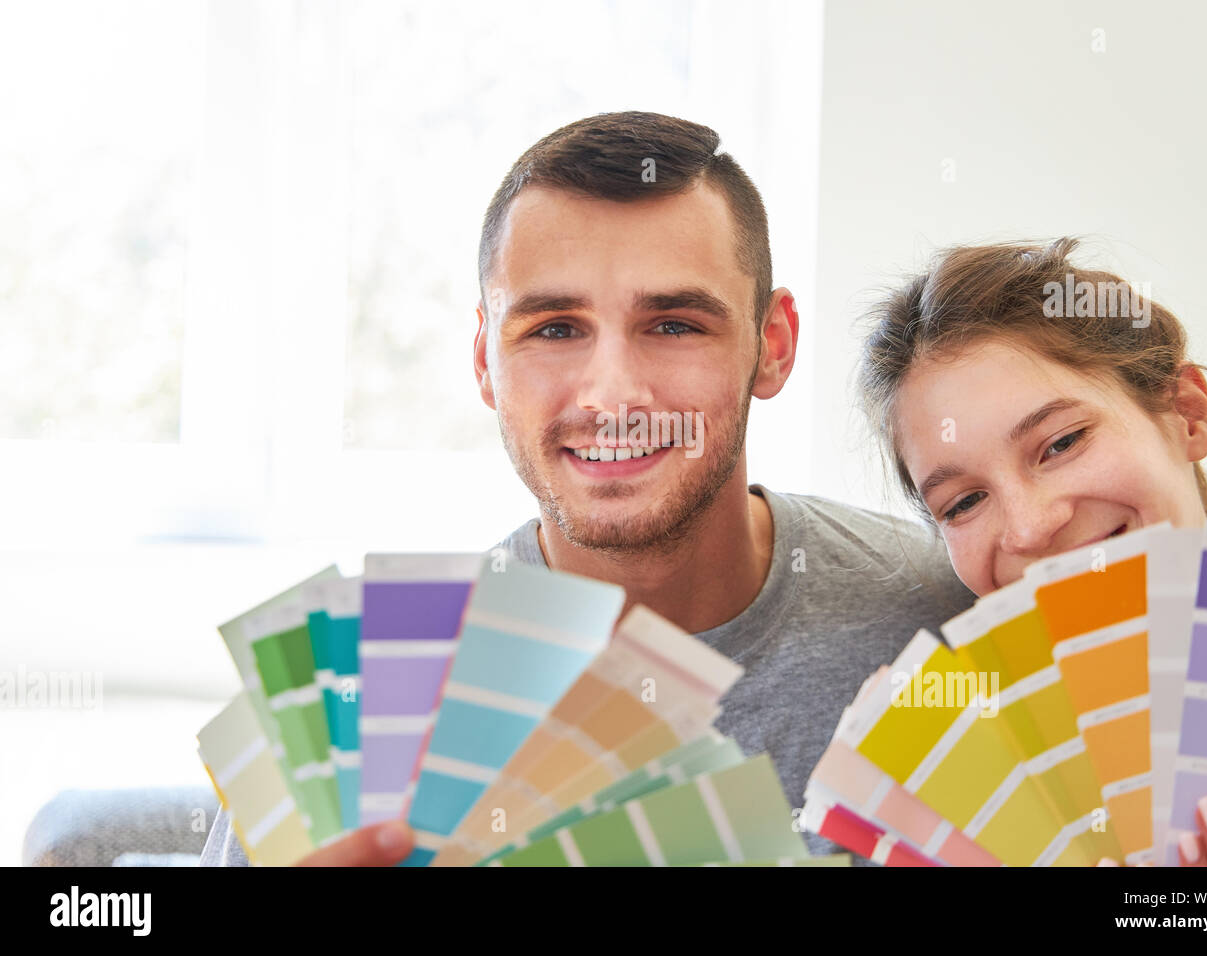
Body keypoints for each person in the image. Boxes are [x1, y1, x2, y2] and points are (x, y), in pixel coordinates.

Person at [200, 111, 975, 867]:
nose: (612, 397)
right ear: (483, 361)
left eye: (673, 324)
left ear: (772, 345)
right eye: (555, 329)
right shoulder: (355, 712)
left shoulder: (948, 616)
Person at [856, 237, 1207, 866]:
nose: (1031, 529)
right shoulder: (960, 777)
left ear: (1188, 416)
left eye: (1061, 443)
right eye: (962, 502)